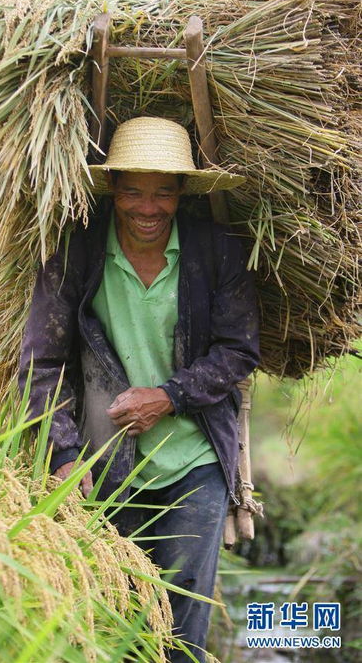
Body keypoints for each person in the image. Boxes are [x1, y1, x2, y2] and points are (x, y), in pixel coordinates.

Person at [18, 116, 260, 662]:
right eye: (132, 192)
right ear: (112, 188)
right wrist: (62, 456)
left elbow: (239, 350)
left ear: (181, 194)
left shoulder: (217, 250)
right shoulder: (76, 251)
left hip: (192, 464)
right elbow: (42, 361)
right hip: (101, 465)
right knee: (110, 625)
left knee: (180, 635)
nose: (147, 209)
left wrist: (169, 396)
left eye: (162, 194)